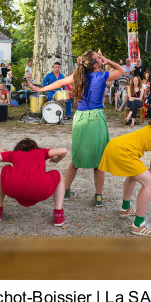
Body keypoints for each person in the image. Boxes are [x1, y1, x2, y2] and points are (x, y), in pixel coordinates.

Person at [28, 51, 125, 206]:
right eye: (98, 57)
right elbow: (121, 70)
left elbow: (59, 83)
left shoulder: (79, 76)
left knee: (76, 159)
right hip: (96, 118)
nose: (100, 57)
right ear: (96, 65)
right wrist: (107, 60)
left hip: (80, 118)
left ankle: (65, 191)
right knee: (99, 161)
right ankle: (98, 197)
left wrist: (40, 90)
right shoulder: (102, 76)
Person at [0, 138, 68, 226]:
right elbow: (63, 151)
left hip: (14, 190)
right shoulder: (42, 152)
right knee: (59, 174)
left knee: (4, 169)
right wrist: (57, 159)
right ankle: (58, 215)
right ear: (35, 147)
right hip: (41, 191)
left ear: (17, 148)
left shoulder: (13, 154)